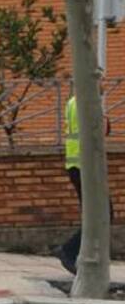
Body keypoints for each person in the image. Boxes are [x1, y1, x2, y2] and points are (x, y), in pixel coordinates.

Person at [58, 88, 112, 275]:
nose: (103, 82)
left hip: (76, 164)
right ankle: (70, 250)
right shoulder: (89, 101)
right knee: (103, 213)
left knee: (94, 214)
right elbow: (102, 131)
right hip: (86, 166)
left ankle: (80, 254)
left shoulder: (73, 102)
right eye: (100, 78)